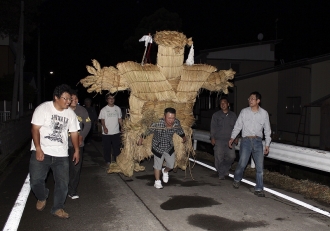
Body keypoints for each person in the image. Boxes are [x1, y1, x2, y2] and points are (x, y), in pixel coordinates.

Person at [29, 84, 80, 219]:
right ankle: (42, 196)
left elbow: (74, 132)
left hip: (61, 154)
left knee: (63, 183)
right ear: (56, 97)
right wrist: (38, 148)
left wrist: (76, 150)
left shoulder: (70, 114)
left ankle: (58, 208)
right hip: (42, 151)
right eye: (66, 98)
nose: (68, 101)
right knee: (35, 181)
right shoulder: (43, 109)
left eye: (70, 99)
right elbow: (35, 129)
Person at [229, 91, 271, 197]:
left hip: (257, 141)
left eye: (252, 99)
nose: (250, 100)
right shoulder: (244, 112)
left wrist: (267, 144)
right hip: (246, 141)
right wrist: (232, 137)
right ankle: (237, 179)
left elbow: (267, 130)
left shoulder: (264, 114)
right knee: (242, 163)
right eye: (249, 99)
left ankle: (259, 188)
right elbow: (238, 126)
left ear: (258, 101)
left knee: (260, 167)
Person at [137, 107, 187, 189]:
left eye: (173, 118)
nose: (171, 120)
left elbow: (179, 130)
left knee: (171, 165)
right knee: (157, 166)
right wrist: (141, 138)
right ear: (164, 117)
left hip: (169, 147)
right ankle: (157, 181)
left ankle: (165, 171)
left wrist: (184, 137)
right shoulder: (157, 123)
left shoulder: (176, 123)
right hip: (158, 147)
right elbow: (148, 131)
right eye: (169, 118)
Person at [68, 91, 91, 199]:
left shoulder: (82, 110)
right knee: (65, 168)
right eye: (72, 98)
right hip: (64, 144)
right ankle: (63, 188)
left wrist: (82, 136)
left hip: (78, 144)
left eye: (76, 98)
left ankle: (72, 190)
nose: (74, 100)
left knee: (76, 168)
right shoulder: (63, 110)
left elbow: (87, 124)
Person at [210, 98, 237, 180]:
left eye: (224, 102)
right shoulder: (216, 115)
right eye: (221, 103)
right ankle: (221, 173)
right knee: (219, 157)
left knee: (231, 157)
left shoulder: (233, 115)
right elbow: (213, 127)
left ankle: (224, 169)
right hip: (219, 139)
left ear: (228, 104)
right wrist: (212, 138)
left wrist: (237, 137)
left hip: (230, 140)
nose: (223, 104)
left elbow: (237, 127)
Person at [98, 94, 123, 164]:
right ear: (107, 100)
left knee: (116, 147)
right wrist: (105, 128)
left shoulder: (118, 108)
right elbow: (102, 120)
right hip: (107, 133)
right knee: (107, 148)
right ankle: (107, 161)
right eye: (109, 98)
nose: (111, 100)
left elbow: (120, 119)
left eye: (113, 98)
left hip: (116, 132)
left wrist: (122, 127)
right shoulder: (104, 110)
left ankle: (117, 160)